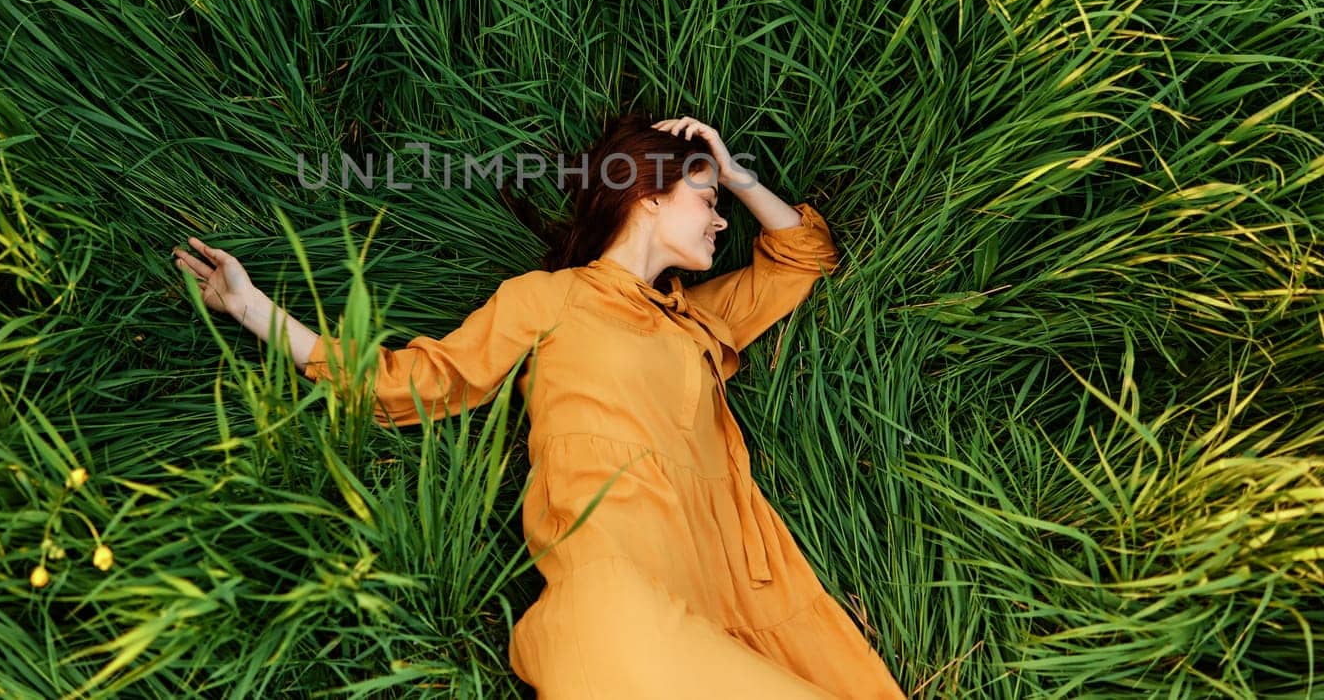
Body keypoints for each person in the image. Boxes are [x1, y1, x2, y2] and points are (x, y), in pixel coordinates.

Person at [172, 113, 906, 699]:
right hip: (621, 595)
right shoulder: (549, 299)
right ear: (648, 194)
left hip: (736, 593)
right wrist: (253, 310)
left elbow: (803, 254)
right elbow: (408, 382)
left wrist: (732, 169)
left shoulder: (698, 319)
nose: (721, 222)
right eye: (707, 201)